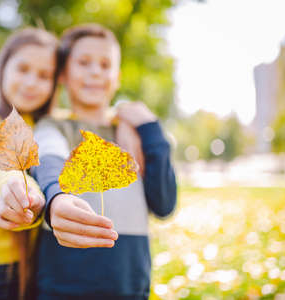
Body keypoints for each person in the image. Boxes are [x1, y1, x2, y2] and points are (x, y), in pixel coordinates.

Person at [30, 24, 177, 299]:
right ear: (63, 73)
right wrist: (57, 197)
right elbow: (48, 161)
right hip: (61, 289)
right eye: (84, 62)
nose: (96, 71)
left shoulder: (135, 133)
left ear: (117, 77)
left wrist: (151, 129)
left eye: (105, 64)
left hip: (129, 288)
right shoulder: (53, 128)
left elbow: (164, 205)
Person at [0, 27, 59, 300]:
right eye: (23, 69)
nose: (31, 82)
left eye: (44, 75)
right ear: (3, 68)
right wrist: (14, 186)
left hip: (39, 260)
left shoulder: (42, 125)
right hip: (3, 270)